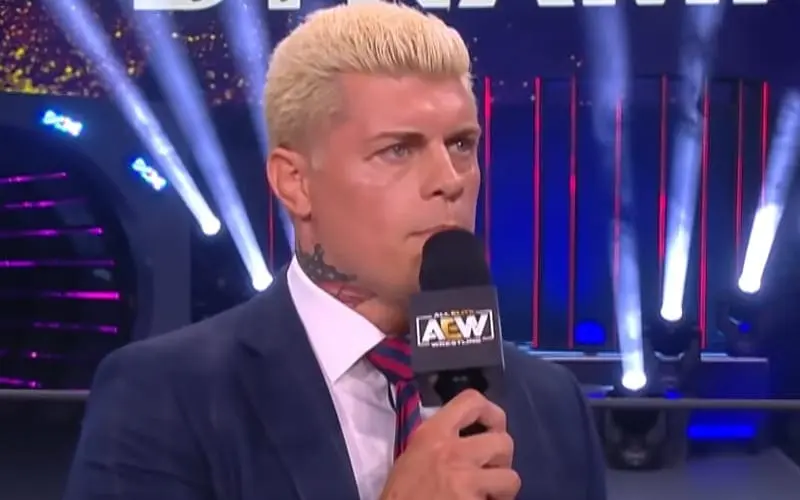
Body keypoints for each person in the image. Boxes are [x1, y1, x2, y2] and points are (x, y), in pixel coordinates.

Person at [63, 3, 607, 499]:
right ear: (295, 183)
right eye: (399, 149)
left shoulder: (553, 404)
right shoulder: (164, 395)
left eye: (461, 144)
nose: (450, 179)